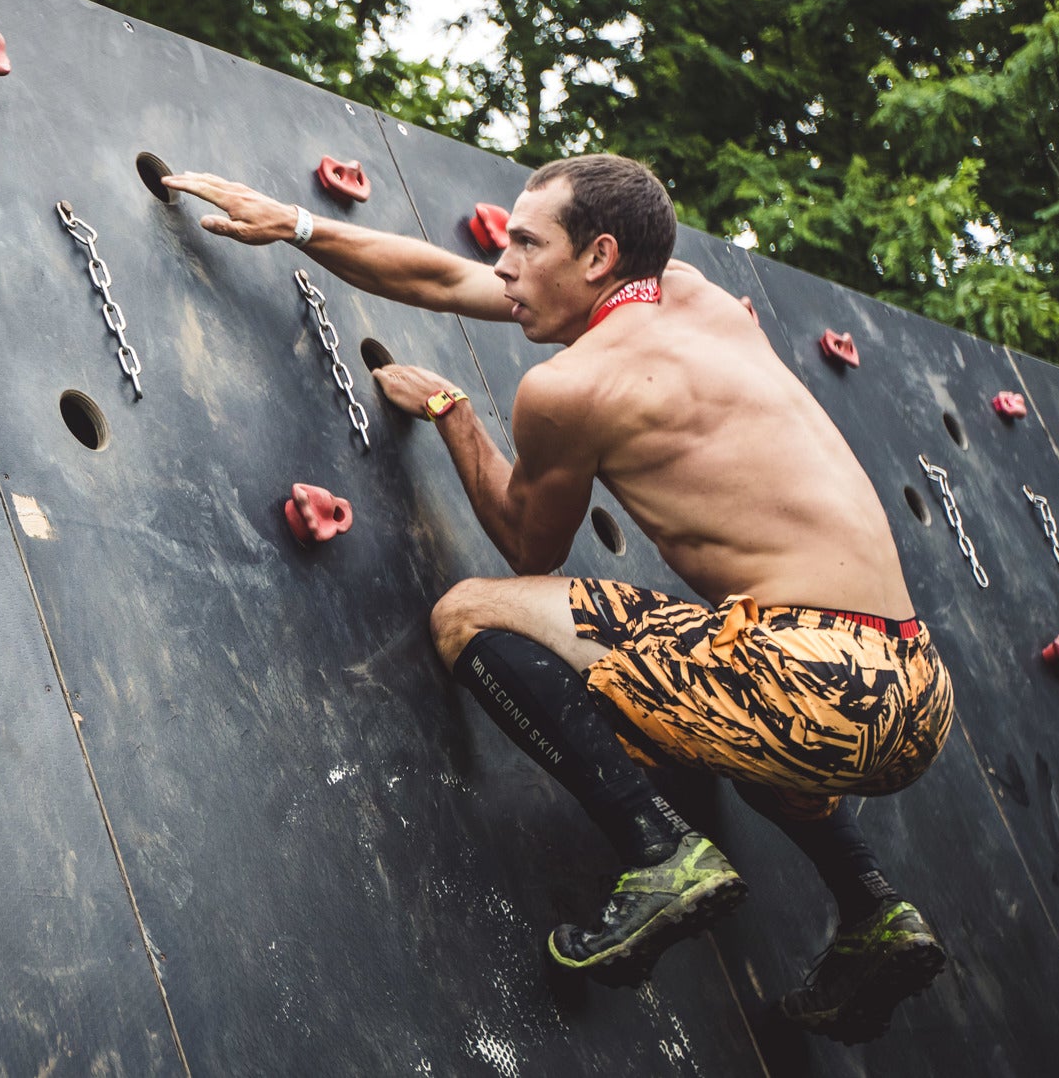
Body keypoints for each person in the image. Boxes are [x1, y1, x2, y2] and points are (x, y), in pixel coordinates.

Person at [163, 155, 955, 1043]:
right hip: (909, 686)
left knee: (471, 612)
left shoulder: (570, 389)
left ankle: (660, 852)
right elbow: (444, 275)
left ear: (598, 256)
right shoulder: (691, 296)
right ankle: (873, 909)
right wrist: (300, 226)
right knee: (727, 682)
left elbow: (530, 546)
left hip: (801, 680)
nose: (503, 263)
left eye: (526, 243)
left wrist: (452, 409)